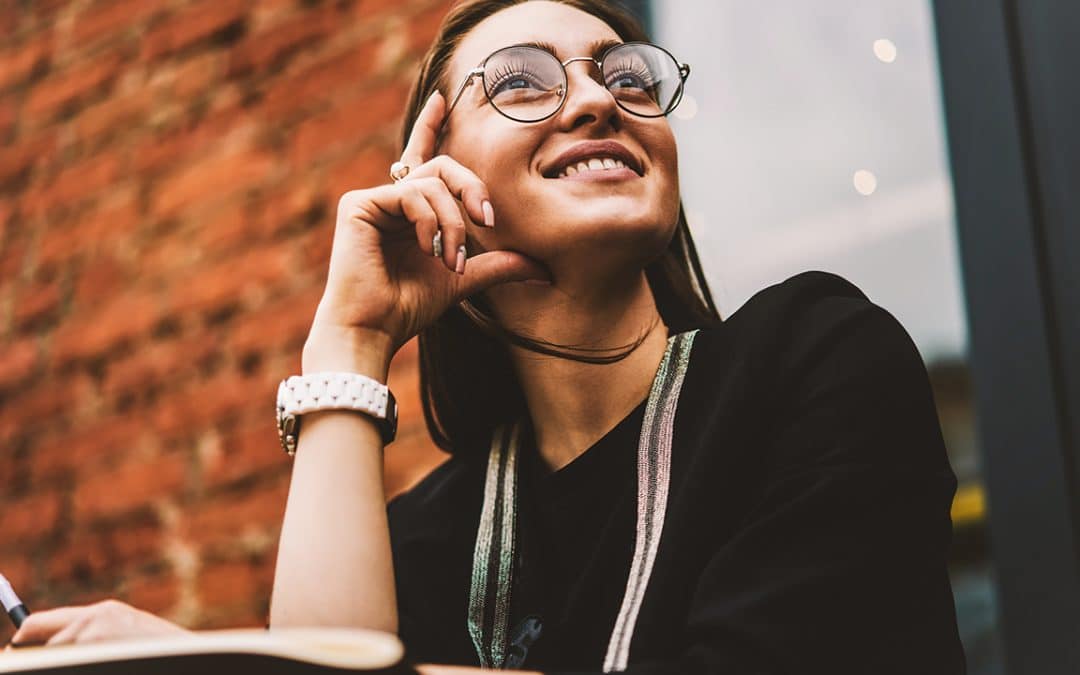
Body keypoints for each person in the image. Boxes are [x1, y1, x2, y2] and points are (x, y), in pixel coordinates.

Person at [5, 1, 966, 673]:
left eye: (625, 75)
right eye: (520, 84)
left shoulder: (818, 361)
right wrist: (349, 338)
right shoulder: (429, 539)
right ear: (440, 180)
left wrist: (208, 663)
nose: (597, 101)